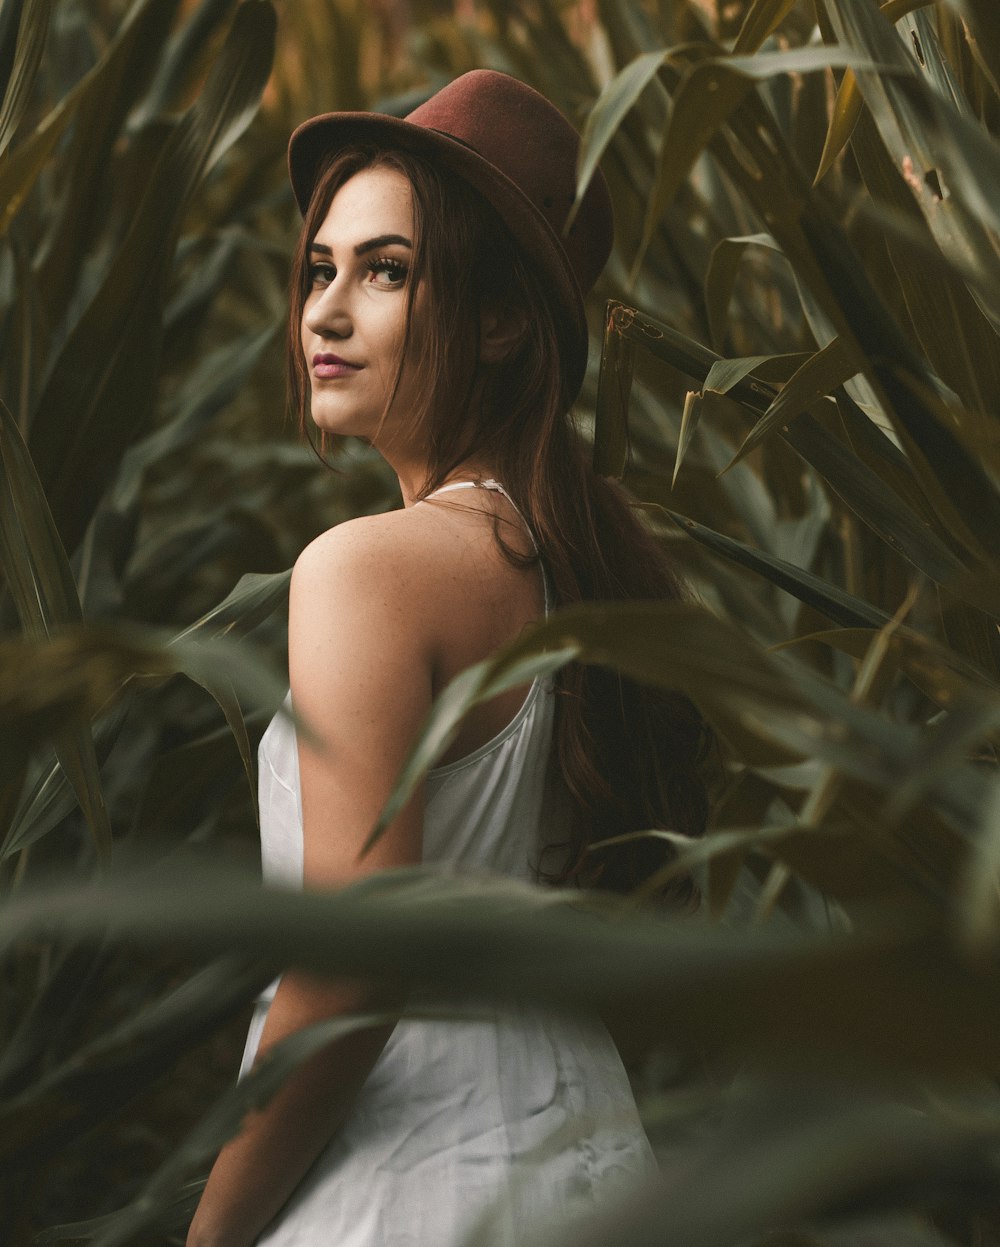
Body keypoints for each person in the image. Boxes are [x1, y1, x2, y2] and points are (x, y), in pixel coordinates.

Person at [187, 69, 709, 1247]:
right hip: (589, 1151)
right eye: (321, 267)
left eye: (384, 270)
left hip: (407, 1180)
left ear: (500, 318)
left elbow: (353, 973)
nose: (324, 311)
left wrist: (210, 1231)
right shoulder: (575, 562)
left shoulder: (364, 569)